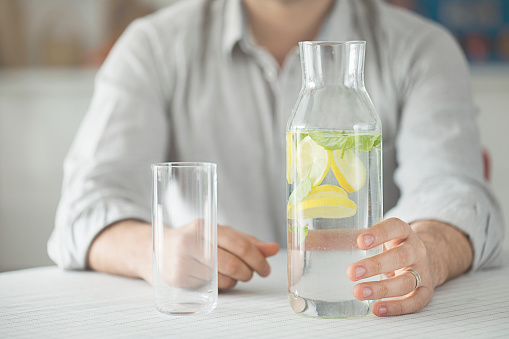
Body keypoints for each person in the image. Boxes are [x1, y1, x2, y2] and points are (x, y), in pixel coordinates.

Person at [48, 0, 504, 317]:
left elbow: (455, 192)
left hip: (368, 317)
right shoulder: (151, 46)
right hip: (218, 324)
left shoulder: (422, 47)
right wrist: (155, 251)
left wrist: (431, 250)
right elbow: (84, 208)